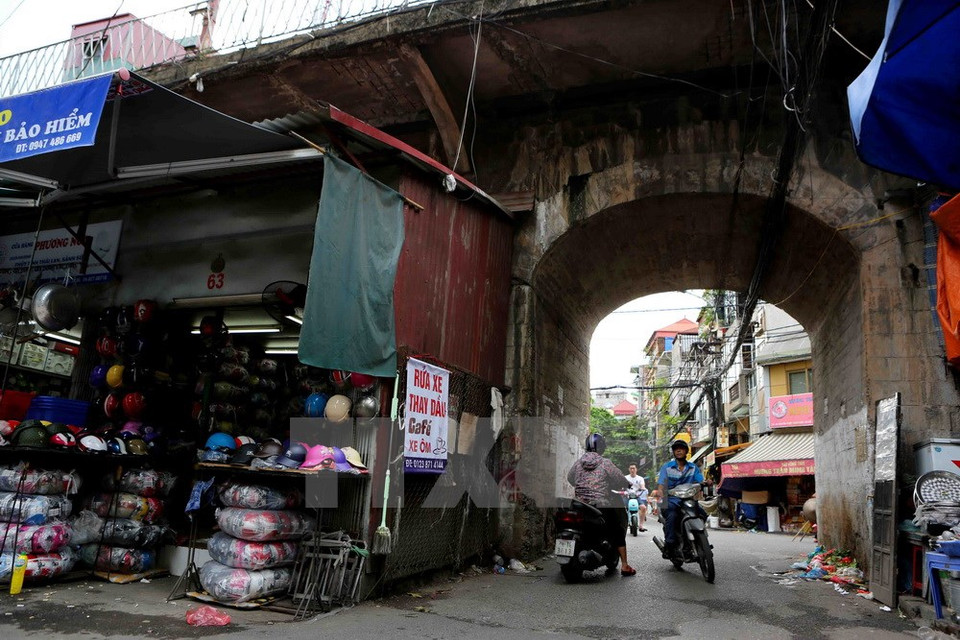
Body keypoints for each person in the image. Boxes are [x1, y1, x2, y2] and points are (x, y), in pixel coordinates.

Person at [567, 433, 636, 576]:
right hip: (600, 506)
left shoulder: (579, 463)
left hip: (579, 506)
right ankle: (624, 565)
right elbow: (619, 479)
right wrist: (626, 484)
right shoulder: (605, 463)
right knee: (617, 529)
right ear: (602, 448)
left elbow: (570, 478)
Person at [656, 439, 705, 559]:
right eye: (676, 449)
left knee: (703, 514)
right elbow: (661, 484)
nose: (678, 450)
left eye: (681, 448)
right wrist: (660, 493)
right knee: (672, 516)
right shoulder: (666, 467)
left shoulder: (693, 467)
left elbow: (700, 480)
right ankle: (670, 544)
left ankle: (700, 539)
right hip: (671, 500)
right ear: (674, 452)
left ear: (686, 452)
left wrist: (706, 482)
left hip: (688, 500)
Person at [624, 464, 648, 532]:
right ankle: (623, 524)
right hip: (627, 496)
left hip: (636, 496)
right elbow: (621, 486)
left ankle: (641, 525)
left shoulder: (640, 478)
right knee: (622, 509)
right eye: (631, 468)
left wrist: (643, 488)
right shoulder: (625, 478)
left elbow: (642, 485)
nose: (632, 470)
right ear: (629, 469)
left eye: (633, 468)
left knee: (643, 507)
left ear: (636, 469)